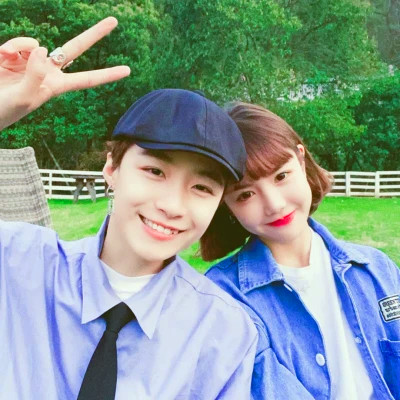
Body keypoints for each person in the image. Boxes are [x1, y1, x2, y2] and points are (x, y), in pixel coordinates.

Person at [0, 20, 258, 399]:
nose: (172, 205)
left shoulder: (223, 333)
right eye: (155, 171)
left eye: (202, 188)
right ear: (112, 169)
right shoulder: (16, 264)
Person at [203, 102, 400, 400]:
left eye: (281, 176)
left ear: (301, 159)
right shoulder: (224, 297)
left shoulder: (377, 268)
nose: (274, 204)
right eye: (246, 194)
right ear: (226, 206)